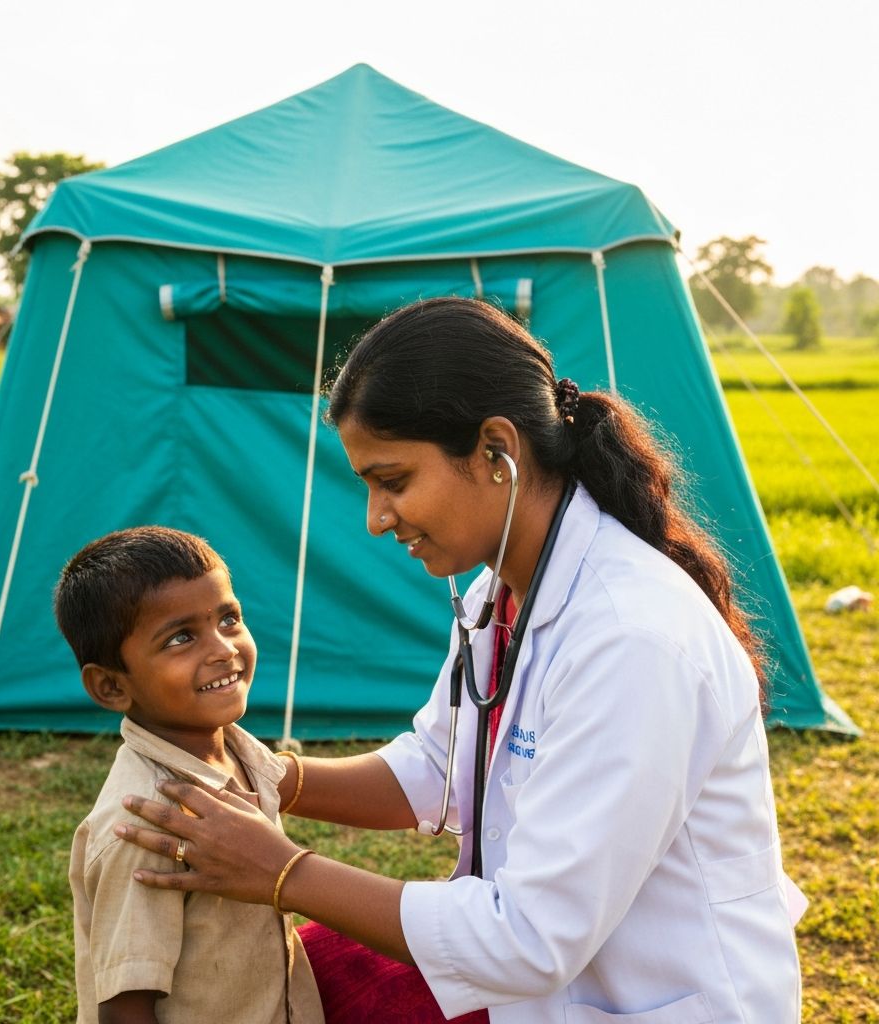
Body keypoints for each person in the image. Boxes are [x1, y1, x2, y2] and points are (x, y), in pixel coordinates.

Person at [113, 298, 803, 1022]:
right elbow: (439, 767)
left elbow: (531, 941)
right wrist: (273, 779)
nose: (376, 520)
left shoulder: (633, 640)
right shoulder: (501, 589)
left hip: (642, 996)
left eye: (394, 481)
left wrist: (284, 872)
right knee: (294, 979)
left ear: (496, 451)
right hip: (537, 977)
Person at [53, 526, 324, 1024]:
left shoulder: (240, 754)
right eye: (181, 638)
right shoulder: (144, 823)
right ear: (111, 686)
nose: (223, 649)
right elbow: (124, 1008)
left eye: (229, 618)